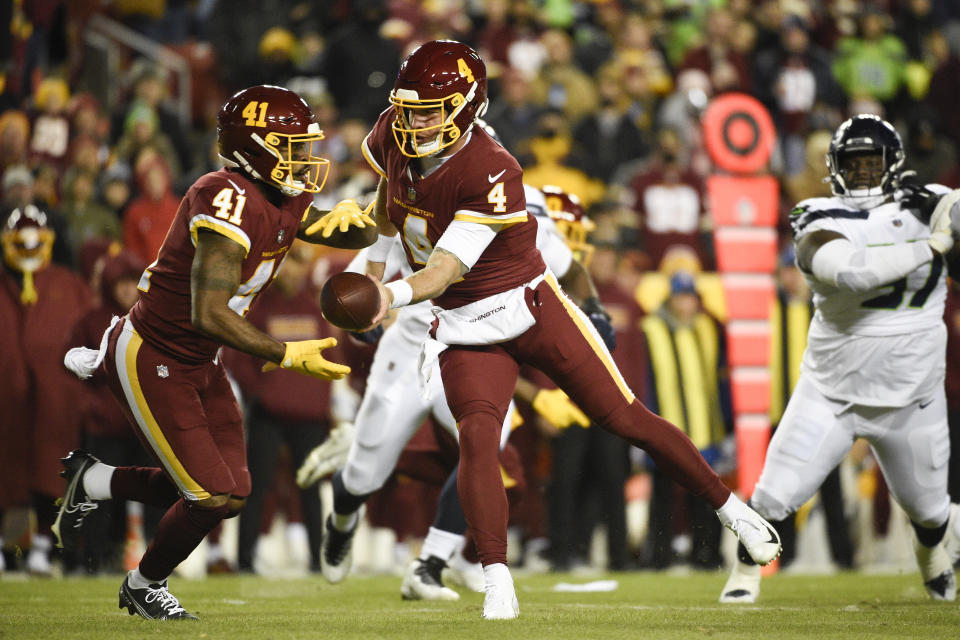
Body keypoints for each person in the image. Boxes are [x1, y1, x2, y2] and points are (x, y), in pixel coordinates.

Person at [328, 40, 781, 620]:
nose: (416, 121)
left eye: (431, 110)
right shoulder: (393, 134)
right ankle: (497, 579)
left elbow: (444, 270)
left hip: (527, 306)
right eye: (410, 108)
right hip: (465, 325)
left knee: (625, 417)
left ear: (467, 106)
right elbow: (391, 208)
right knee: (478, 442)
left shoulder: (492, 168)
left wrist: (385, 296)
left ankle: (732, 512)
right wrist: (368, 271)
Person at [53, 84, 376, 620]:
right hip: (155, 352)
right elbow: (210, 312)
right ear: (255, 148)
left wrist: (381, 205)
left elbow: (338, 229)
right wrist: (285, 353)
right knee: (206, 495)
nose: (303, 158)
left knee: (232, 496)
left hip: (200, 360)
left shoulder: (282, 194)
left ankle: (94, 480)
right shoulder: (224, 197)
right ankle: (142, 584)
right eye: (291, 145)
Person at [298, 180, 603, 601]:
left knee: (486, 448)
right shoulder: (412, 197)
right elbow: (362, 271)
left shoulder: (515, 208)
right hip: (409, 347)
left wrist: (595, 311)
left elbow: (571, 274)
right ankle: (344, 520)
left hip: (469, 349)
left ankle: (432, 564)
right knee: (367, 470)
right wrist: (360, 312)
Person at [719, 114, 959, 604]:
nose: (865, 174)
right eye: (855, 164)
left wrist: (952, 213)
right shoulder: (816, 213)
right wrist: (931, 245)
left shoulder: (932, 203)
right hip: (831, 394)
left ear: (893, 165)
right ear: (836, 168)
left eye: (874, 163)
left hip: (912, 397)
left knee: (931, 511)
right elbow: (849, 273)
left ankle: (933, 557)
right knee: (773, 496)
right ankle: (743, 577)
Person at [642, 271, 732, 571]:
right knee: (663, 499)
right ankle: (659, 556)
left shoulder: (707, 328)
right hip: (664, 431)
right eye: (680, 297)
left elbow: (720, 381)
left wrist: (727, 426)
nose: (685, 304)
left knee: (706, 497)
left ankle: (706, 555)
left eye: (690, 298)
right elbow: (644, 383)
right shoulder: (651, 328)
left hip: (705, 429)